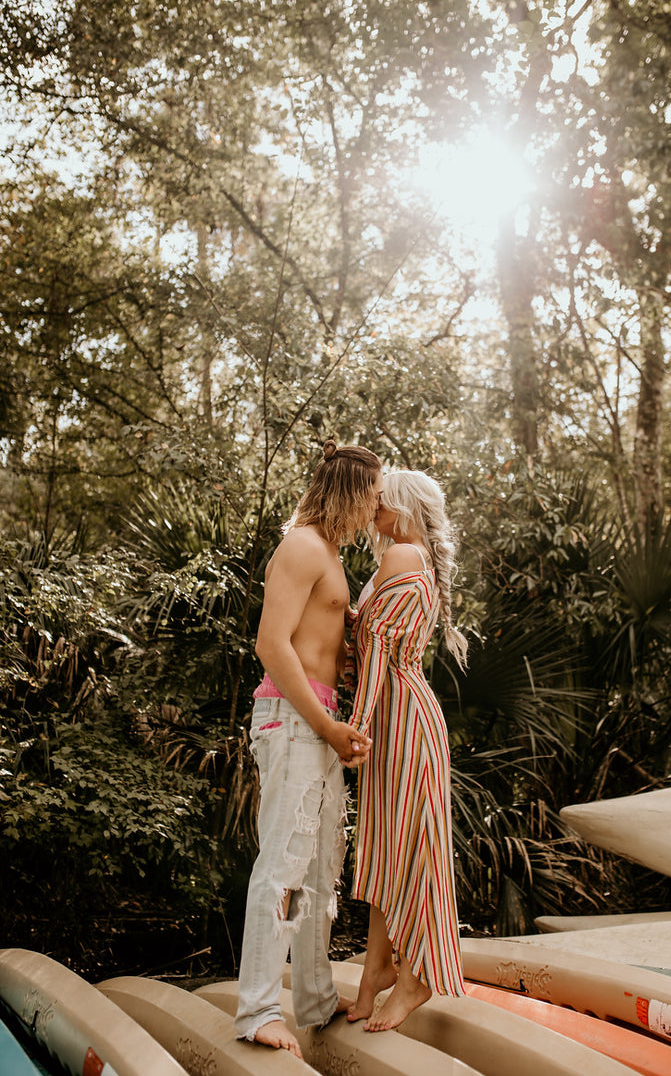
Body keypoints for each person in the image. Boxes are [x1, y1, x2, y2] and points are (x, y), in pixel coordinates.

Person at [235, 440, 383, 1058]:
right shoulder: (300, 546)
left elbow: (322, 646)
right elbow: (273, 644)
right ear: (351, 490)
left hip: (318, 719)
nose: (377, 510)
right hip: (292, 719)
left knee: (322, 866)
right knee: (284, 865)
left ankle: (317, 1000)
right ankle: (258, 1011)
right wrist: (326, 726)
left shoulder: (331, 556)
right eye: (373, 496)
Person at [344, 469, 468, 1031]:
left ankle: (414, 977)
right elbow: (369, 634)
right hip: (399, 714)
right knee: (386, 845)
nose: (372, 509)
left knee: (412, 847)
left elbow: (376, 647)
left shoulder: (401, 556)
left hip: (400, 719)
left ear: (403, 507)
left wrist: (358, 723)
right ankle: (376, 971)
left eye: (381, 502)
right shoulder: (410, 559)